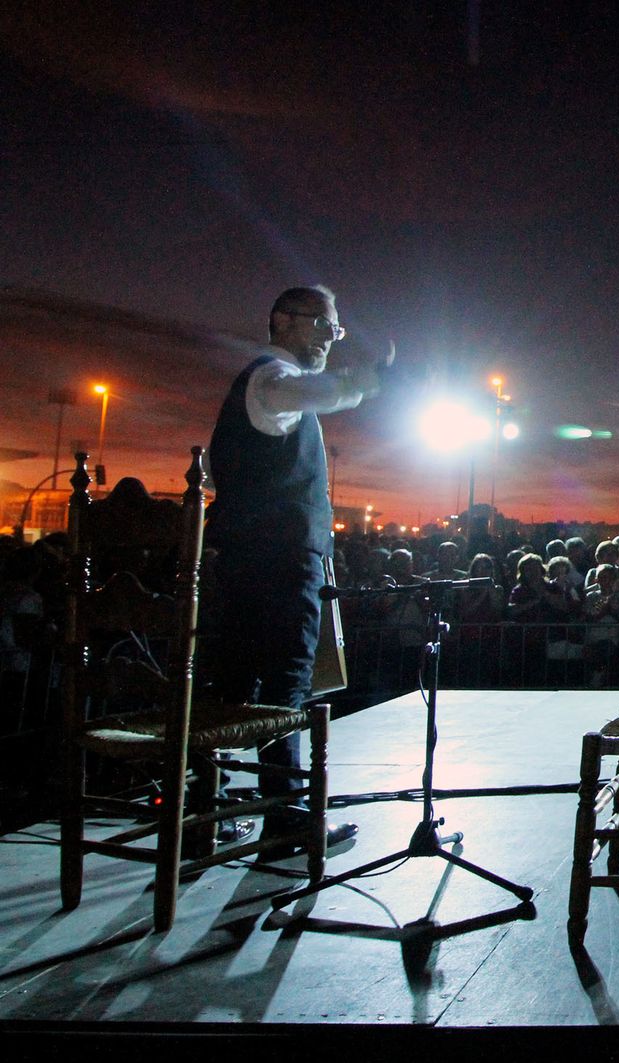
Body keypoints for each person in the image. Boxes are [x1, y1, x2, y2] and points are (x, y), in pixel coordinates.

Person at [207, 284, 390, 855]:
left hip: (237, 559)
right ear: (282, 321)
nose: (329, 340)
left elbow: (221, 477)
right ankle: (285, 817)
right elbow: (320, 391)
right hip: (282, 559)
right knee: (287, 679)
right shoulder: (271, 380)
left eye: (333, 330)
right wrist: (371, 378)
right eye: (321, 326)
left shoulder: (256, 394)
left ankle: (201, 814)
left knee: (231, 683)